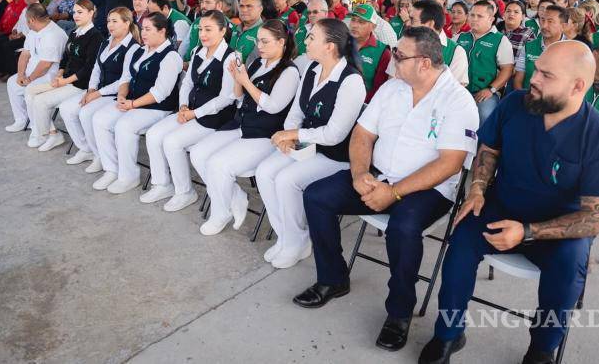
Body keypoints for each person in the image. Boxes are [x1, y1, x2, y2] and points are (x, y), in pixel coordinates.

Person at [420, 41, 599, 364]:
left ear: (577, 86)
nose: (533, 79)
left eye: (546, 74)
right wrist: (477, 190)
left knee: (570, 267)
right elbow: (489, 149)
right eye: (537, 69)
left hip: (556, 230)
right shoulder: (516, 103)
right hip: (502, 207)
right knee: (461, 238)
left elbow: (595, 219)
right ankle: (448, 333)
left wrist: (526, 232)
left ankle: (541, 349)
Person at [296, 26, 478, 351]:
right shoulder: (393, 88)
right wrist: (359, 175)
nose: (392, 60)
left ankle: (399, 312)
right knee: (317, 196)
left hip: (428, 188)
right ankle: (333, 278)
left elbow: (449, 164)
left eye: (399, 55)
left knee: (404, 227)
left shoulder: (457, 100)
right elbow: (362, 135)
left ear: (423, 62)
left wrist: (393, 193)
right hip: (378, 175)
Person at [256, 18, 366, 269]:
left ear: (330, 46)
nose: (305, 41)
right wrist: (289, 134)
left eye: (312, 37)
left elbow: (335, 135)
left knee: (286, 180)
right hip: (308, 145)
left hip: (334, 155)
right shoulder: (311, 69)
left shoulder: (351, 80)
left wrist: (295, 135)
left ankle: (297, 241)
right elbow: (296, 112)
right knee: (265, 172)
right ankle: (287, 236)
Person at [189, 19, 300, 235]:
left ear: (281, 43)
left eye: (265, 42)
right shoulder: (258, 63)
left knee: (218, 164)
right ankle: (235, 196)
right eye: (258, 41)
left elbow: (274, 107)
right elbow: (239, 98)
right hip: (243, 124)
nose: (259, 46)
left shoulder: (289, 72)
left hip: (265, 134)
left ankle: (221, 211)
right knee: (198, 153)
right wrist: (237, 79)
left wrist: (245, 81)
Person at [140, 10, 238, 209]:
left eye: (208, 29)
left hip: (214, 118)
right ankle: (162, 184)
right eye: (201, 29)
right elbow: (187, 84)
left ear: (222, 31)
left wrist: (195, 113)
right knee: (153, 134)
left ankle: (185, 192)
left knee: (172, 142)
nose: (203, 34)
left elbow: (227, 98)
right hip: (189, 111)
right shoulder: (198, 52)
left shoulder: (231, 57)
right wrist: (183, 106)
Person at [91, 13, 183, 194]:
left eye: (148, 29)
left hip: (156, 108)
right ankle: (112, 169)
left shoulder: (171, 56)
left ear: (162, 31)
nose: (143, 33)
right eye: (142, 29)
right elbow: (126, 77)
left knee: (124, 126)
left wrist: (132, 105)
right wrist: (122, 96)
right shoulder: (139, 50)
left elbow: (160, 93)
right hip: (131, 100)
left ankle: (129, 176)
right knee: (100, 118)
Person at [61, 7, 140, 171]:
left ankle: (104, 159)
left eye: (115, 21)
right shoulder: (106, 41)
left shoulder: (133, 47)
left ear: (126, 23)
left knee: (87, 113)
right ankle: (89, 150)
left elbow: (124, 79)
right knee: (66, 109)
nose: (110, 25)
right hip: (98, 91)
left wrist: (97, 93)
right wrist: (91, 89)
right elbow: (97, 68)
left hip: (115, 94)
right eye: (108, 21)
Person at [28, 0, 103, 152]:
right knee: (30, 91)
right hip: (65, 79)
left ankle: (48, 135)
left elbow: (89, 68)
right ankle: (50, 132)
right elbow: (65, 57)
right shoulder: (75, 32)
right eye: (74, 12)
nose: (76, 15)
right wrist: (60, 73)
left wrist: (65, 81)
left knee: (41, 101)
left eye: (80, 12)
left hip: (80, 84)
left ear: (91, 13)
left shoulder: (95, 36)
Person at [4, 4, 69, 145]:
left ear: (32, 20)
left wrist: (29, 78)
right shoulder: (34, 31)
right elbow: (25, 54)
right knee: (12, 82)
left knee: (30, 91)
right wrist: (21, 75)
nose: (26, 23)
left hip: (50, 77)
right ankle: (22, 120)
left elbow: (45, 65)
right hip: (30, 75)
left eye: (26, 20)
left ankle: (40, 131)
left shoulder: (54, 34)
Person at [456, 0, 514, 125]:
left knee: (485, 116)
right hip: (458, 91)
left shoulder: (500, 40)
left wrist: (491, 89)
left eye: (480, 16)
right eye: (472, 15)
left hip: (485, 92)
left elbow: (507, 69)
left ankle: (482, 145)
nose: (474, 19)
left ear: (491, 19)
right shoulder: (460, 37)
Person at [388, 0, 469, 87]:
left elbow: (454, 91)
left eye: (413, 20)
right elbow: (392, 80)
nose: (408, 24)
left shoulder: (456, 52)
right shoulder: (401, 44)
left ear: (430, 24)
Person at [513, 5, 567, 90]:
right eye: (542, 20)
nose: (544, 25)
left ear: (563, 26)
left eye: (550, 21)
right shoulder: (529, 46)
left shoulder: (571, 50)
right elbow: (518, 79)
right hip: (528, 97)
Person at [348, 3, 390, 102]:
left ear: (373, 27)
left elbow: (379, 89)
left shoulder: (383, 52)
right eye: (353, 20)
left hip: (364, 106)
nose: (354, 25)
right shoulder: (341, 44)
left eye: (361, 22)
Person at [229, 0, 264, 66]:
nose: (244, 10)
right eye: (241, 6)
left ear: (260, 9)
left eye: (249, 6)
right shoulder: (235, 28)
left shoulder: (264, 33)